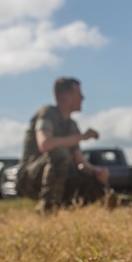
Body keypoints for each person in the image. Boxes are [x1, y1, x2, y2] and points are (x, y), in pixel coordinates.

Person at [17, 77, 110, 213]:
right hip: (29, 177)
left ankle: (65, 208)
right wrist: (82, 137)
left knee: (94, 179)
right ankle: (48, 209)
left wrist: (97, 172)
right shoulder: (47, 113)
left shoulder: (72, 125)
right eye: (79, 93)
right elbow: (45, 144)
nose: (83, 98)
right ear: (66, 96)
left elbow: (80, 162)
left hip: (54, 174)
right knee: (60, 153)